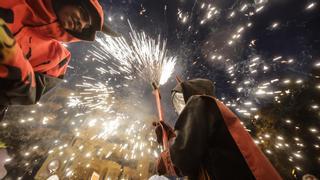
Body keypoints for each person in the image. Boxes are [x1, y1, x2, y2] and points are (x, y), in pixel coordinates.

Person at [0, 0, 119, 121]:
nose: (81, 24)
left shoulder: (58, 59)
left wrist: (11, 54)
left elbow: (28, 94)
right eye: (83, 13)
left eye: (87, 25)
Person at [154, 78, 282, 180]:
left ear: (191, 94)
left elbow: (183, 158)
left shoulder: (201, 102)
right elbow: (195, 159)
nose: (180, 108)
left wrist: (167, 158)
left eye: (181, 100)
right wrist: (171, 137)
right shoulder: (214, 111)